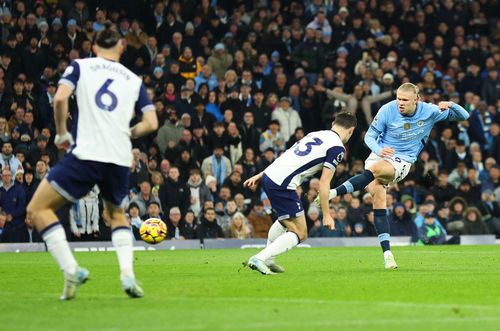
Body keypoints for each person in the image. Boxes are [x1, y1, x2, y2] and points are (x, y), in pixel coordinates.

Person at [26, 24, 158, 300]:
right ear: (121, 48)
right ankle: (127, 275)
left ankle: (71, 269)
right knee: (117, 214)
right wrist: (128, 133)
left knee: (38, 209)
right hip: (120, 157)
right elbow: (151, 122)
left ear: (94, 47)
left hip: (87, 153)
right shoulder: (133, 79)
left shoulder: (80, 66)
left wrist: (61, 132)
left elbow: (61, 97)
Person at [315, 83, 469, 269]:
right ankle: (388, 255)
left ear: (416, 100)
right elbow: (369, 137)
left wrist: (450, 104)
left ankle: (331, 193)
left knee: (376, 172)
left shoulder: (429, 111)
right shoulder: (387, 109)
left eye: (405, 100)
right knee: (378, 198)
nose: (400, 103)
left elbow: (464, 116)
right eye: (398, 99)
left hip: (403, 159)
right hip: (380, 153)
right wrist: (380, 150)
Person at [243, 112, 356, 275]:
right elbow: (324, 183)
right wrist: (326, 214)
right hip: (282, 183)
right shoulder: (337, 147)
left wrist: (262, 174)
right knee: (301, 233)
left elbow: (287, 155)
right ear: (351, 130)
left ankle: (268, 259)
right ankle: (260, 258)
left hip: (271, 176)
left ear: (333, 123)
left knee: (285, 221)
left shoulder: (316, 134)